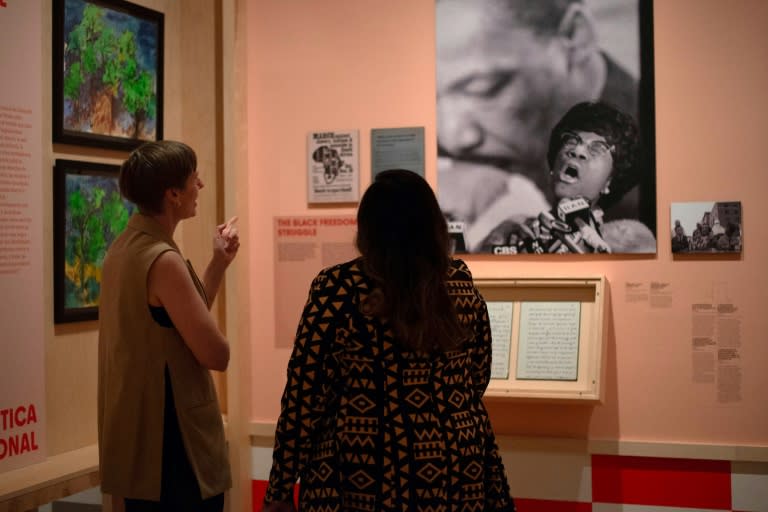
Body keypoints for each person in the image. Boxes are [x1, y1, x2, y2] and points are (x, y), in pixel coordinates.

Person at [263, 170, 514, 511]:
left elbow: (304, 394)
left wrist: (279, 486)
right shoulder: (458, 284)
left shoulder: (339, 288)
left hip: (362, 467)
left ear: (368, 228)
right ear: (432, 224)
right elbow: (478, 375)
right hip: (456, 465)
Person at [98, 140, 240, 511]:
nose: (201, 187)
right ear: (173, 194)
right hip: (175, 451)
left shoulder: (122, 249)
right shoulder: (163, 260)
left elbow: (176, 324)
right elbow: (215, 353)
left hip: (140, 447)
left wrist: (217, 264)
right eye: (195, 179)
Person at [436, 0, 645, 252]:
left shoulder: (649, 169)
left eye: (483, 88)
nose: (451, 137)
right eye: (431, 98)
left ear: (574, 36)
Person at [479, 101, 656, 254]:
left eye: (597, 149)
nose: (577, 151)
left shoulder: (628, 243)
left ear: (609, 181)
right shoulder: (513, 231)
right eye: (571, 140)